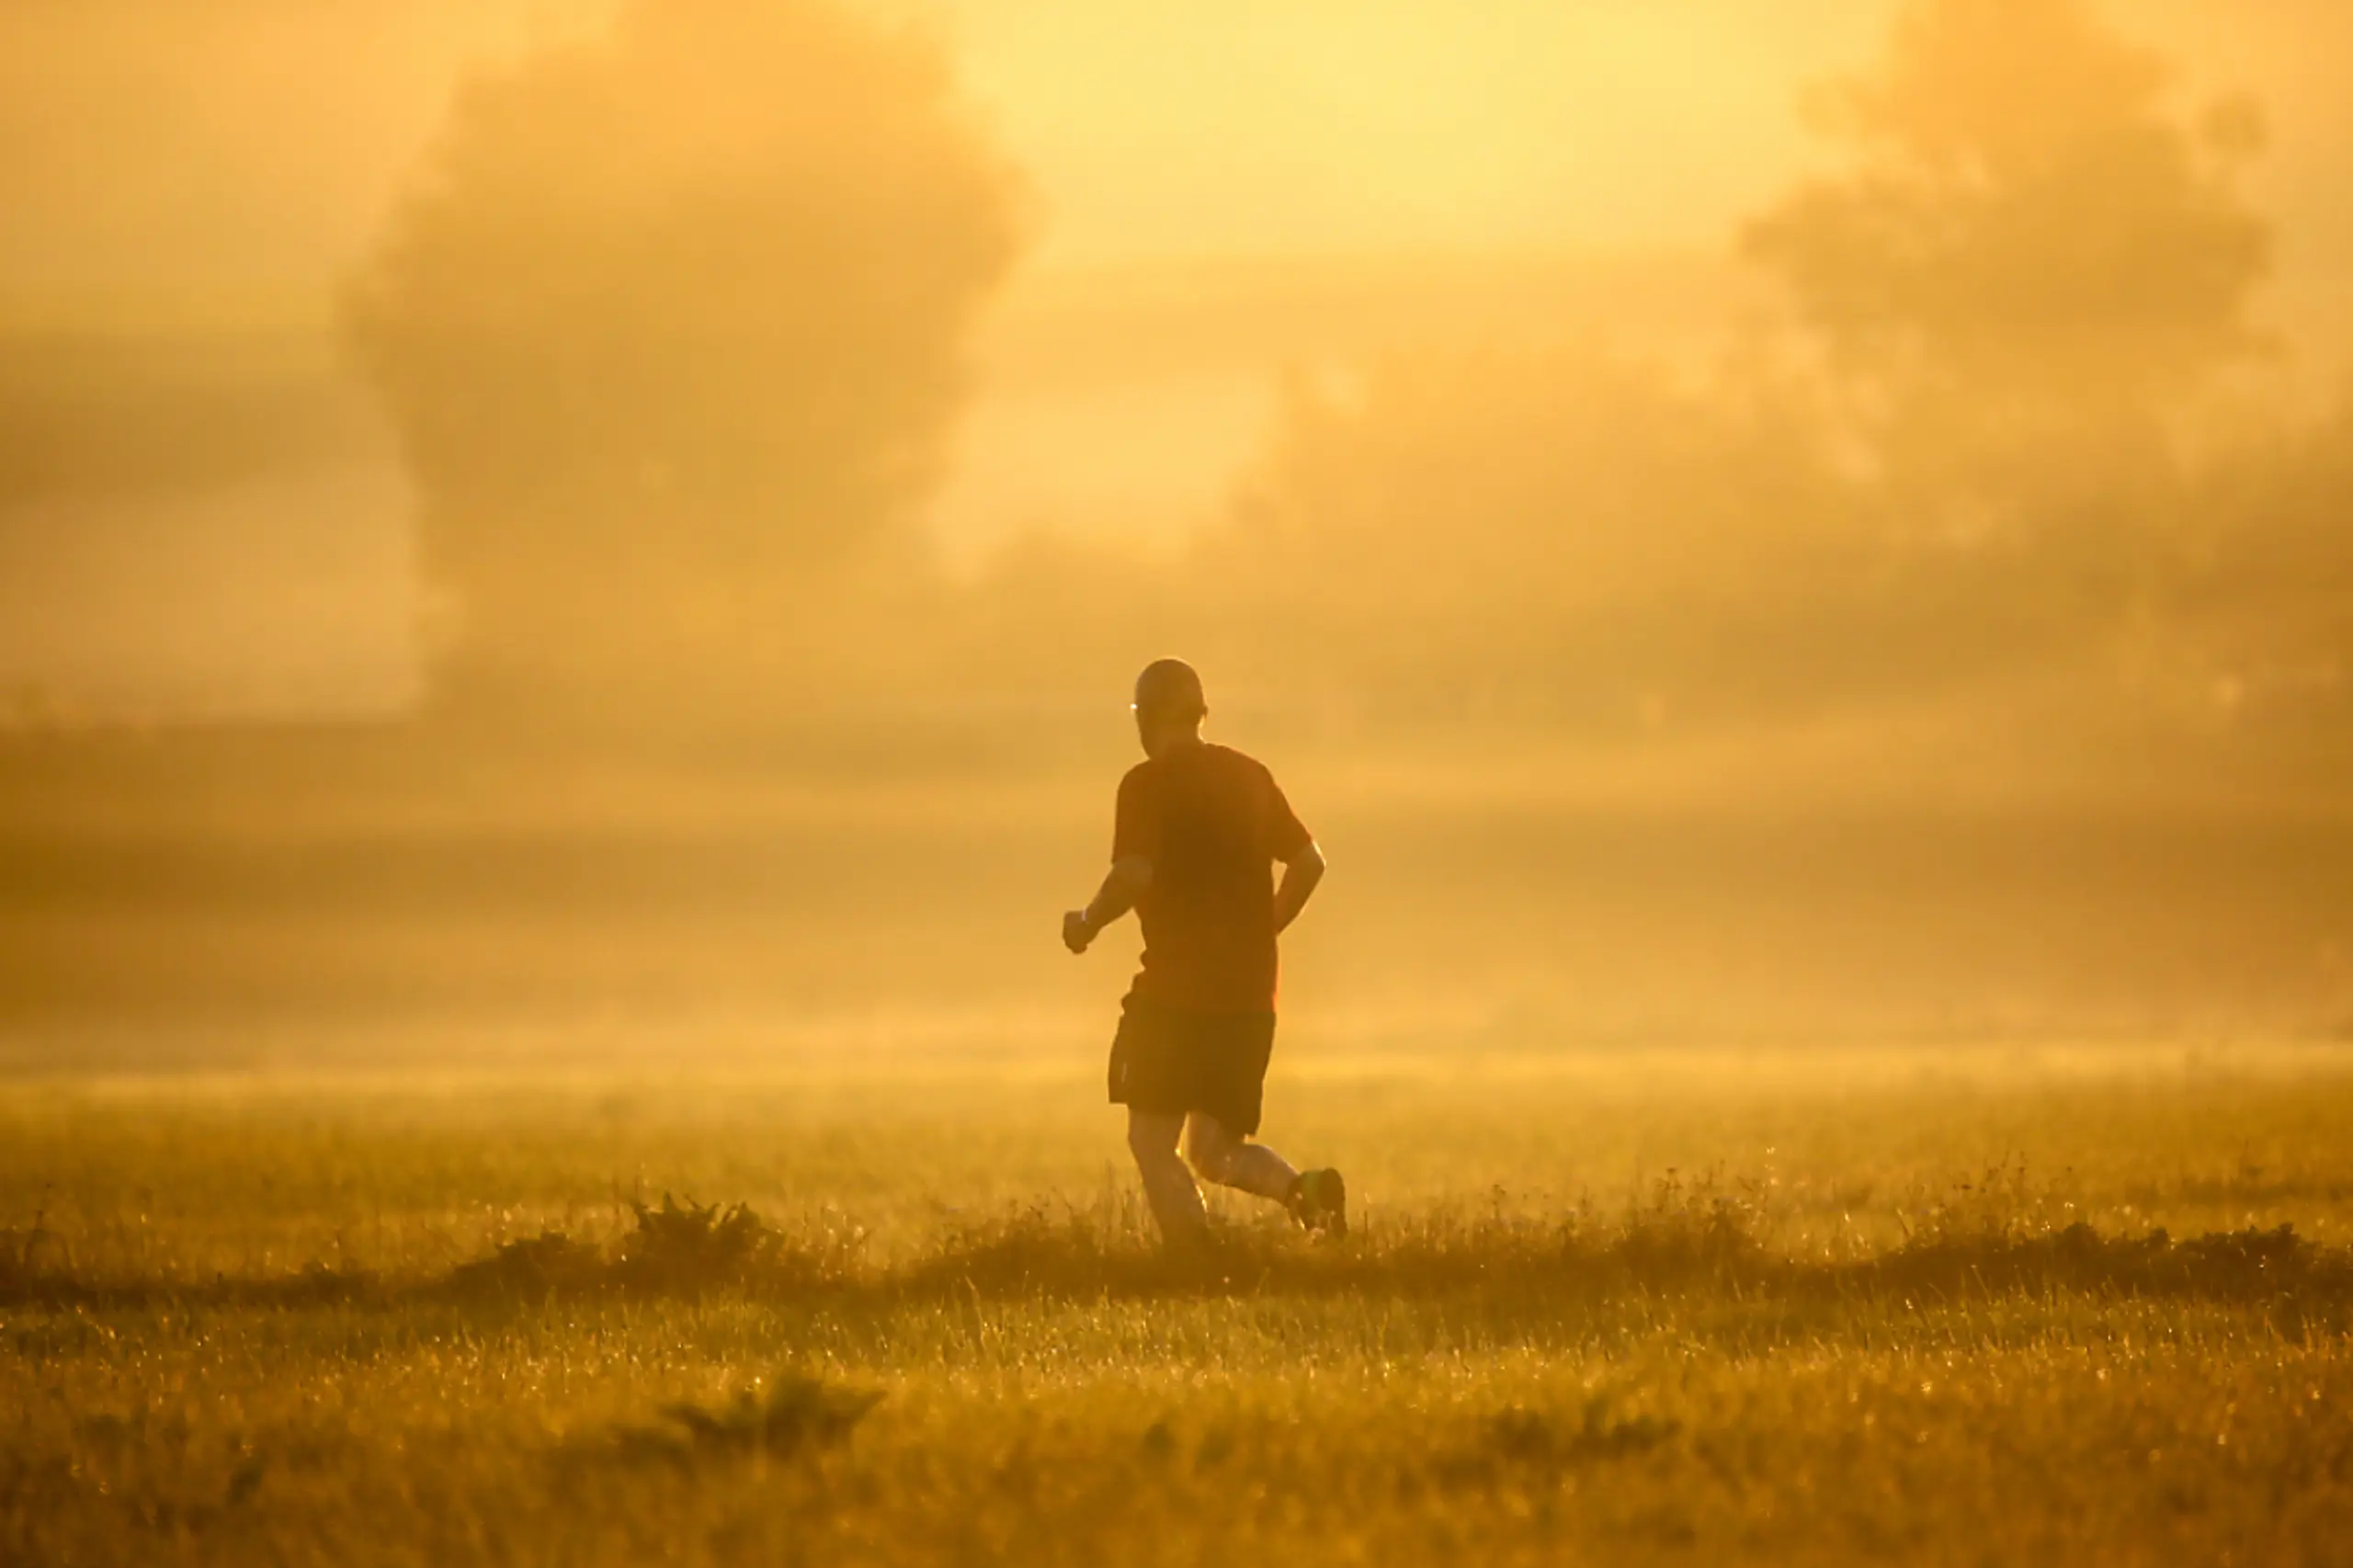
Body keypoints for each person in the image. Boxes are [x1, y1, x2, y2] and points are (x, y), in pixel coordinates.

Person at [1062, 657, 1346, 1246]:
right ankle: (1306, 1194)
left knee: (1150, 1141)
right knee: (1216, 1153)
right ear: (1199, 712)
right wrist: (1265, 929)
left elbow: (1134, 874)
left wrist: (1087, 923)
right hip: (1250, 1000)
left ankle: (1197, 1263)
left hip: (1176, 998)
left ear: (1144, 718)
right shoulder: (1248, 775)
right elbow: (1309, 861)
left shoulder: (1146, 784)